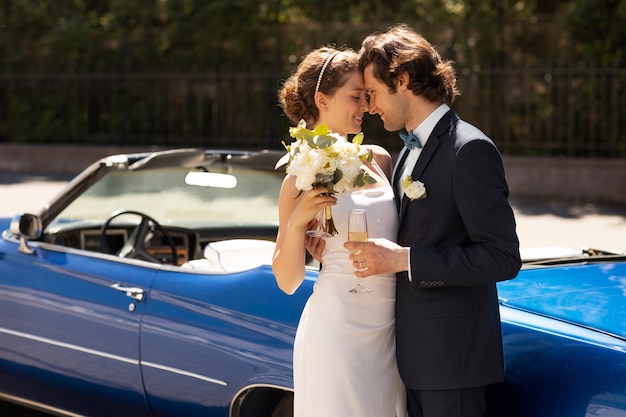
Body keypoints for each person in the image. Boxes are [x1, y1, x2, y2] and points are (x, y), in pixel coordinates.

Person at [344, 24, 522, 417]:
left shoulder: (470, 149)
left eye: (372, 93)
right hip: (412, 357)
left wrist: (404, 260)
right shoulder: (407, 151)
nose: (370, 107)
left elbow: (502, 258)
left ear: (403, 79)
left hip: (452, 363)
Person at [272, 46, 406, 417]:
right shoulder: (297, 177)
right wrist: (299, 221)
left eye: (366, 96)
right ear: (321, 99)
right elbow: (287, 280)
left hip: (392, 330)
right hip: (337, 333)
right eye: (355, 96)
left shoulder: (379, 158)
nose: (364, 105)